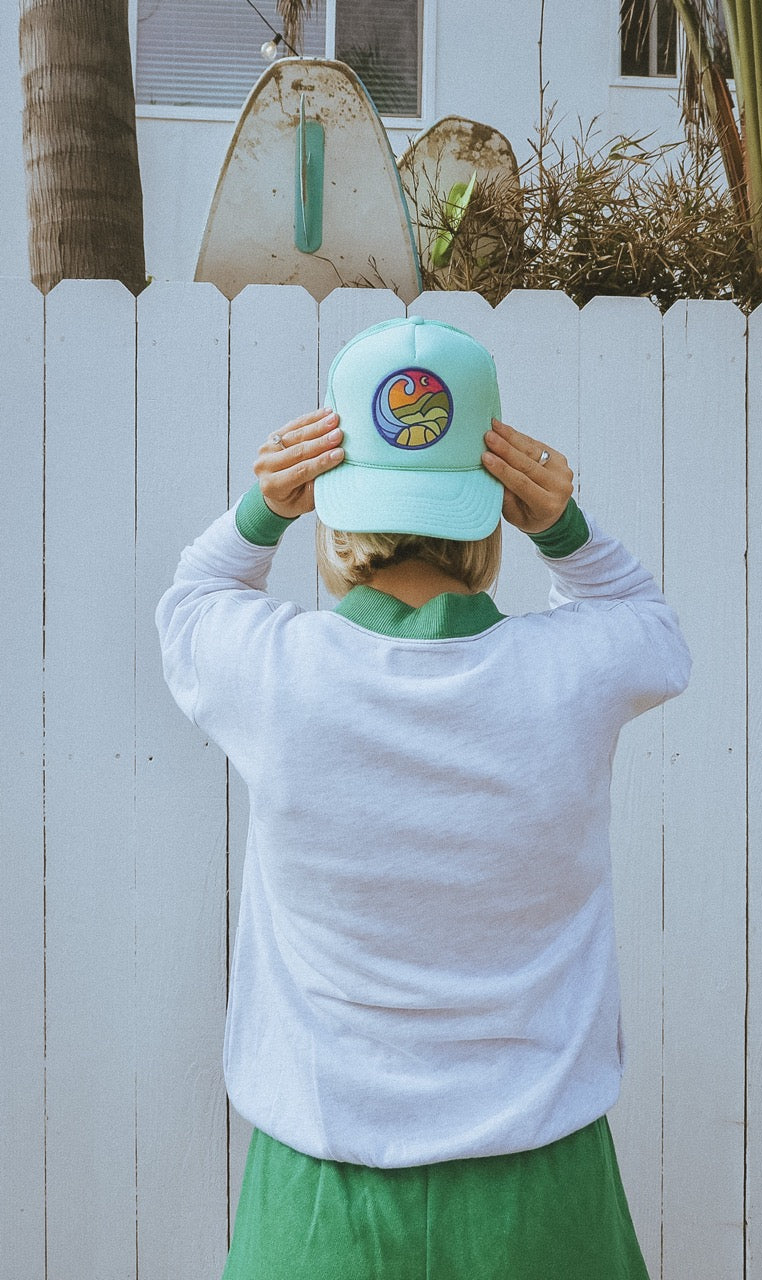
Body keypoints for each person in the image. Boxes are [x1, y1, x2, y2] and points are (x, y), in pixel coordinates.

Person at [156, 315, 691, 1280]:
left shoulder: (273, 671)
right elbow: (647, 626)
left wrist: (261, 512)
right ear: (493, 515)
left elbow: (194, 598)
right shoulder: (571, 671)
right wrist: (564, 529)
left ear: (333, 510)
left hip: (319, 1196)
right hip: (539, 1192)